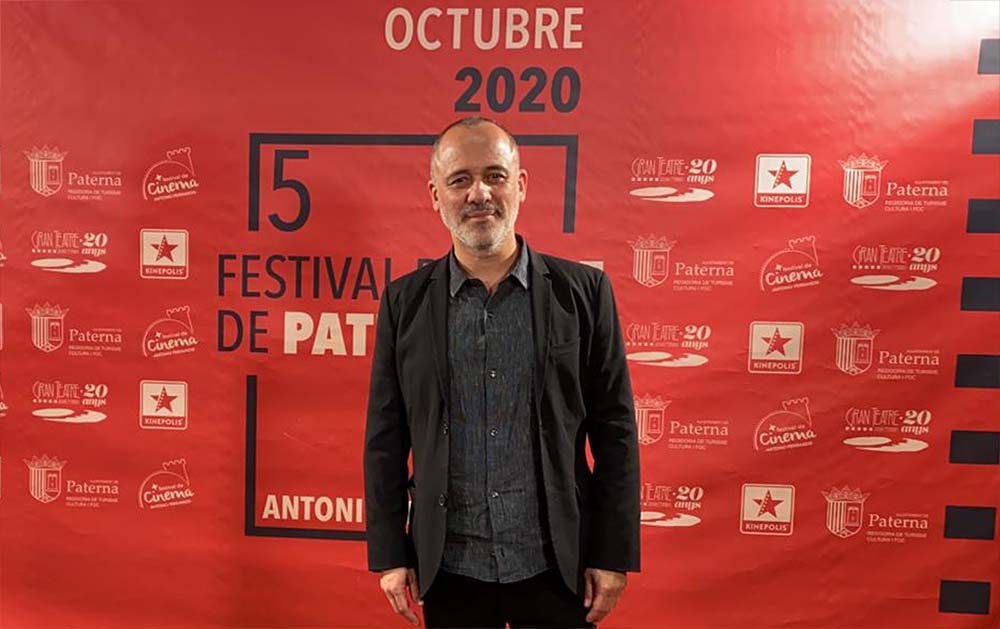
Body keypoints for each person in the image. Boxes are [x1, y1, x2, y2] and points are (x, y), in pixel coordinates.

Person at [364, 116, 640, 628]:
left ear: (521, 185)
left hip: (559, 565)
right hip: (450, 568)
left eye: (495, 175)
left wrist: (612, 553)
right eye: (460, 180)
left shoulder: (583, 294)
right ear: (436, 195)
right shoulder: (404, 302)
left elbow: (616, 431)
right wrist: (389, 553)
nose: (479, 194)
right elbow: (386, 435)